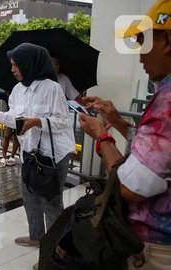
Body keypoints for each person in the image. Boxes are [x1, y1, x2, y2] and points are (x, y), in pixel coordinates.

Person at [78, 0, 171, 268]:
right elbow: (158, 157)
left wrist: (102, 136)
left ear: (167, 41)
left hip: (155, 248)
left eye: (143, 41)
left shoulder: (167, 101)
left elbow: (131, 188)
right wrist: (117, 122)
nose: (139, 54)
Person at [0, 43, 75, 247]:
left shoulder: (52, 89)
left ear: (29, 64)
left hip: (54, 155)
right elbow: (15, 118)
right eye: (12, 65)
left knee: (51, 202)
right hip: (30, 153)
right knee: (29, 196)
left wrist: (37, 122)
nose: (12, 69)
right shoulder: (17, 90)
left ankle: (55, 248)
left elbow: (63, 122)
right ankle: (37, 236)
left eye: (16, 65)